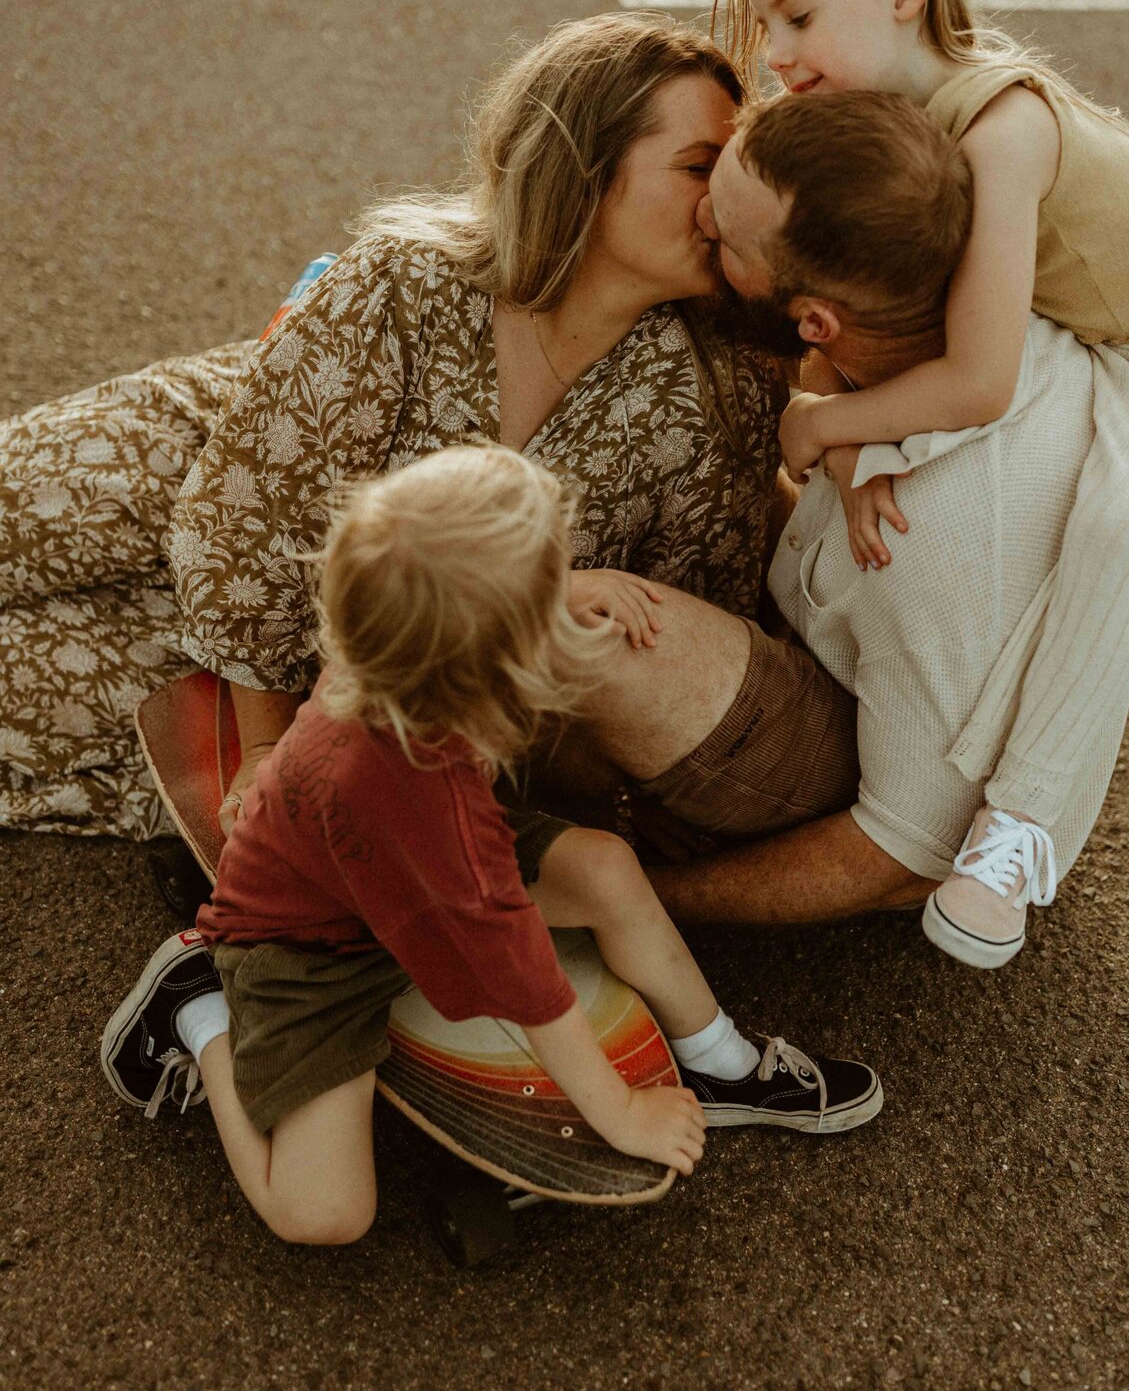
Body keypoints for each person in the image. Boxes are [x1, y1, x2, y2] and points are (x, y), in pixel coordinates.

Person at [0, 14, 785, 842]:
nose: (722, 204)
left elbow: (653, 652)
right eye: (700, 167)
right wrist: (267, 749)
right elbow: (247, 522)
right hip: (198, 472)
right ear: (584, 170)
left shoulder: (718, 393)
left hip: (346, 669)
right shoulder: (404, 279)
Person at [99, 448, 882, 1244]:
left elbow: (437, 603)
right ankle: (198, 1012)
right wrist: (621, 1112)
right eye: (548, 591)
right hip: (306, 946)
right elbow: (523, 984)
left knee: (606, 868)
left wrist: (565, 593)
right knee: (323, 1215)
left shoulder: (388, 654)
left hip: (379, 866)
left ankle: (717, 1063)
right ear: (495, 661)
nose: (566, 595)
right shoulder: (432, 813)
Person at [713, 0, 1129, 966]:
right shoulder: (889, 120)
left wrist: (826, 424)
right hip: (1095, 328)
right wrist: (849, 449)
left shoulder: (1003, 129)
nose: (776, 52)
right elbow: (858, 305)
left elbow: (978, 381)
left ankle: (1018, 828)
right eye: (765, 26)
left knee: (1119, 522)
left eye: (796, 16)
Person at [555, 90, 1127, 941]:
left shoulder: (937, 547)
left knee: (588, 634)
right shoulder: (924, 291)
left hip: (864, 742)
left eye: (724, 232)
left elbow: (901, 856)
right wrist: (837, 431)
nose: (700, 213)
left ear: (816, 318)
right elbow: (826, 359)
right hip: (838, 612)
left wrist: (638, 901)